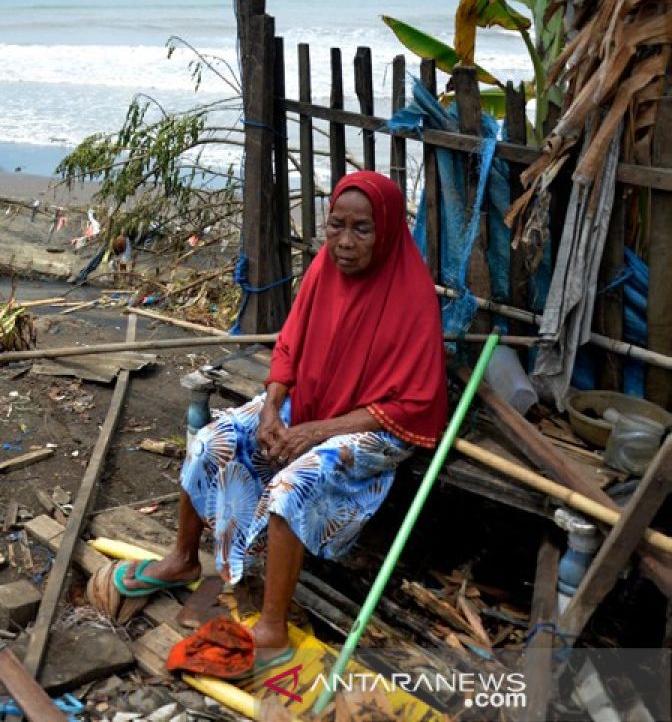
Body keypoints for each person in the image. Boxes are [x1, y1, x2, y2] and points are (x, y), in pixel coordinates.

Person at [113, 171, 447, 671]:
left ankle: (271, 624)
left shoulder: (411, 295)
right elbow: (290, 343)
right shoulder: (323, 269)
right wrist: (272, 406)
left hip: (377, 425)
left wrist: (314, 433)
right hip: (310, 402)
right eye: (337, 226)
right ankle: (183, 558)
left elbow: (412, 405)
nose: (346, 242)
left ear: (388, 232)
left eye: (363, 229)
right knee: (211, 439)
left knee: (293, 486)